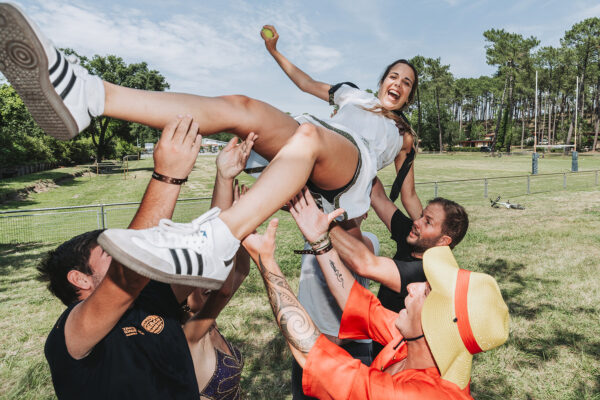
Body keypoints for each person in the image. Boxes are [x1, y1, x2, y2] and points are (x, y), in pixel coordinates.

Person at [0, 4, 421, 287]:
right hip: (312, 137)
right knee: (245, 107)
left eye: (407, 83)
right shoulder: (351, 95)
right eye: (393, 76)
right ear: (382, 79)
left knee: (308, 136)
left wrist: (433, 237)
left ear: (408, 96)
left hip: (349, 165)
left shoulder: (404, 135)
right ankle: (90, 96)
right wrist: (275, 52)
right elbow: (305, 82)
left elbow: (408, 194)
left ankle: (216, 239)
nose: (397, 84)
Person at [37, 117, 253, 399]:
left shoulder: (150, 300)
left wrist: (224, 177)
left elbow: (212, 248)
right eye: (108, 251)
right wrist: (167, 176)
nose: (123, 250)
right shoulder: (71, 333)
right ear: (79, 278)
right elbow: (132, 266)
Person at [241, 192, 509, 399]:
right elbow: (356, 302)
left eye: (426, 292)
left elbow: (312, 355)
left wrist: (266, 261)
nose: (413, 287)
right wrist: (320, 240)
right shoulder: (415, 342)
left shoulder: (417, 394)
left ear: (438, 325)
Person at [330, 178, 469, 355]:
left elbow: (364, 264)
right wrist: (363, 162)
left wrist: (320, 222)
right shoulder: (418, 239)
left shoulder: (426, 271)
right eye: (421, 216)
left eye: (428, 222)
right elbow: (378, 196)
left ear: (443, 241)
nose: (417, 222)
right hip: (381, 349)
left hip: (400, 364)